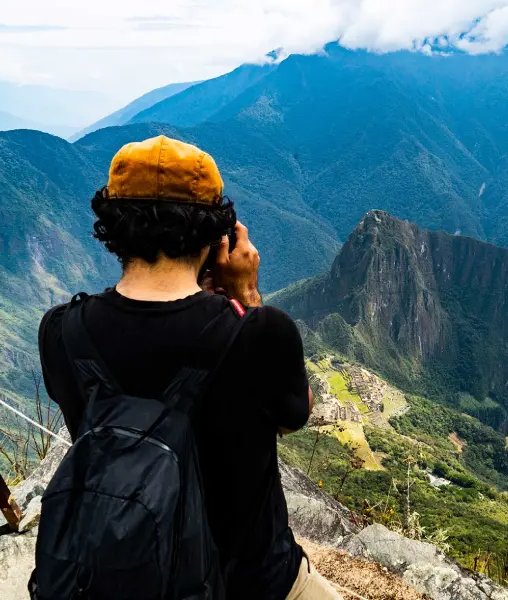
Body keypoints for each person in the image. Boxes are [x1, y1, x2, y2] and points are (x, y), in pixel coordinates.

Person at [37, 135, 341, 600]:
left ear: (112, 226)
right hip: (256, 584)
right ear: (218, 236)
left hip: (124, 574)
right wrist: (246, 298)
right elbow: (293, 415)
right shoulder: (262, 333)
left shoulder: (62, 332)